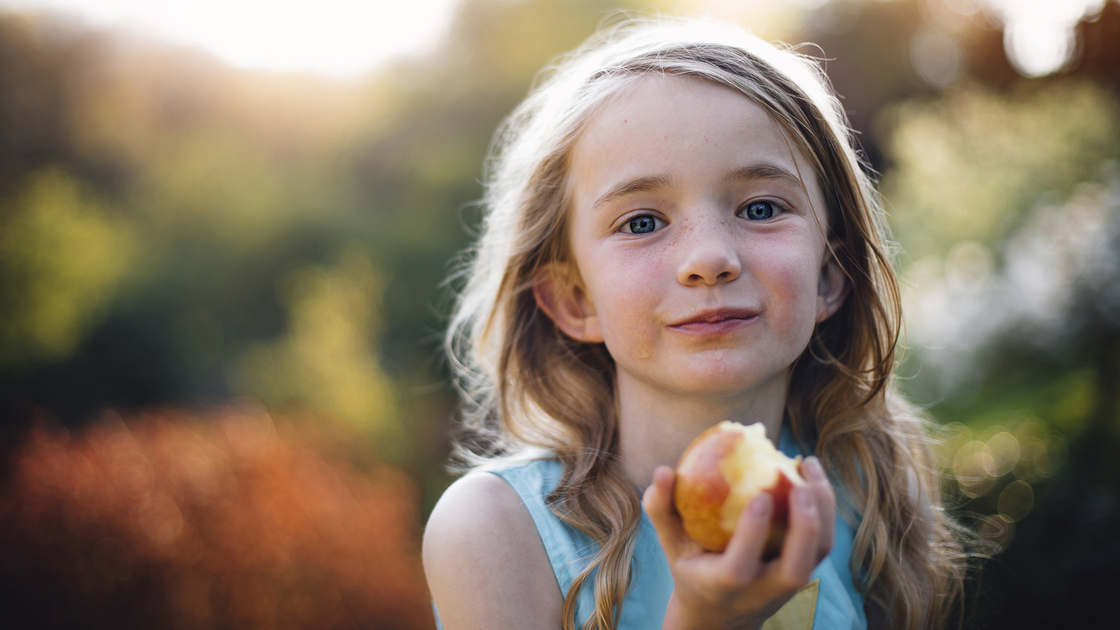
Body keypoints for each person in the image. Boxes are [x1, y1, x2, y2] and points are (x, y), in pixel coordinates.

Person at [423, 17, 968, 630]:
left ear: (830, 275)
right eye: (642, 222)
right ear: (576, 300)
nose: (709, 258)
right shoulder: (496, 530)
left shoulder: (868, 494)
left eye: (760, 208)